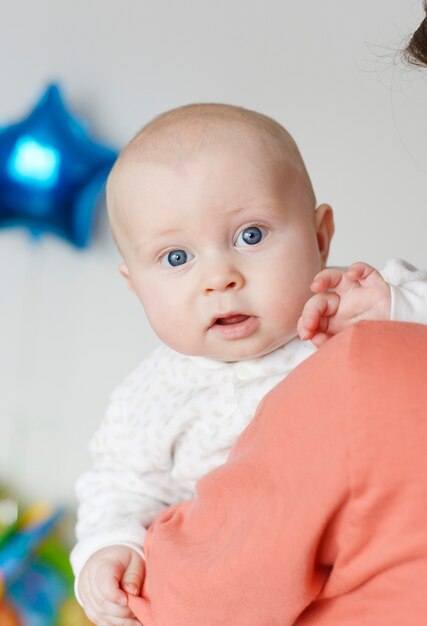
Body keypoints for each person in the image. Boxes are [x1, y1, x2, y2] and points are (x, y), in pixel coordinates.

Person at [71, 103, 427, 625]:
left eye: (251, 235)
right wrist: (110, 548)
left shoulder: (357, 299)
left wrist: (395, 307)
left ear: (319, 235)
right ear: (135, 286)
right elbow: (120, 486)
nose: (220, 277)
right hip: (241, 575)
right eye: (176, 258)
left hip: (370, 552)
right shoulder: (153, 392)